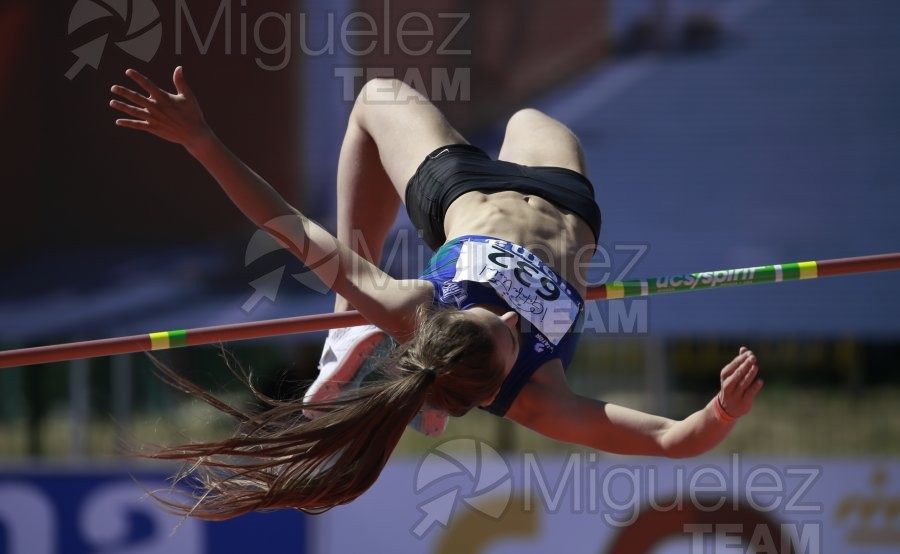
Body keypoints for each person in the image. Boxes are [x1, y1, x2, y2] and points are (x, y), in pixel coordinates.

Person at [109, 67, 764, 519]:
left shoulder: (414, 307)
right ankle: (381, 353)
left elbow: (286, 225)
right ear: (499, 386)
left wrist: (202, 140)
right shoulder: (540, 398)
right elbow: (675, 440)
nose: (510, 314)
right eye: (513, 332)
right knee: (534, 117)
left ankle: (348, 324)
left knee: (375, 98)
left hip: (461, 193)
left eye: (495, 321)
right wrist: (724, 413)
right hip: (566, 201)